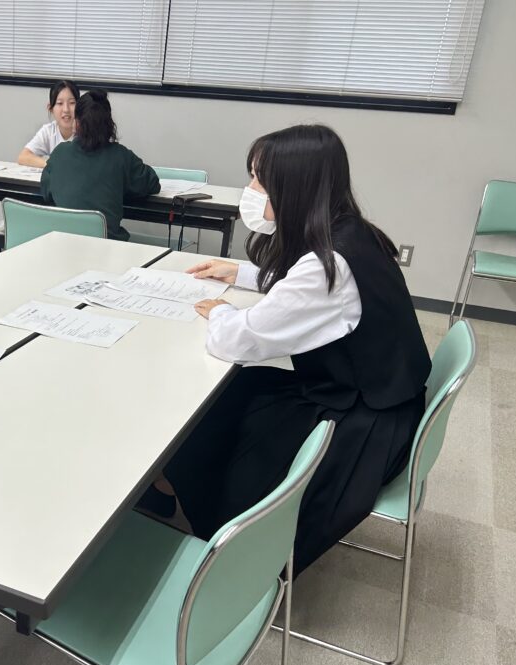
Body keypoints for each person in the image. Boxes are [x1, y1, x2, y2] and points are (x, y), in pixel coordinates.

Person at [140, 124, 431, 576]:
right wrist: (238, 273)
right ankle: (168, 482)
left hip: (363, 427)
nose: (251, 189)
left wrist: (220, 310)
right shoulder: (350, 232)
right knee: (241, 389)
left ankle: (198, 510)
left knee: (230, 397)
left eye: (259, 179)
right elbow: (299, 291)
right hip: (377, 397)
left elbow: (239, 339)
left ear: (294, 187)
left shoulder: (327, 267)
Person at [40, 90, 159, 241]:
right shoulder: (121, 156)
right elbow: (152, 183)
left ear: (77, 123)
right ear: (109, 124)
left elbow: (46, 192)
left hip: (65, 244)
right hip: (108, 247)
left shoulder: (59, 154)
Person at [17, 80, 79, 168]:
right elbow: (23, 157)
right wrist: (52, 163)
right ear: (51, 108)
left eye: (72, 103)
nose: (66, 109)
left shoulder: (86, 131)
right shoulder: (49, 131)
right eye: (60, 103)